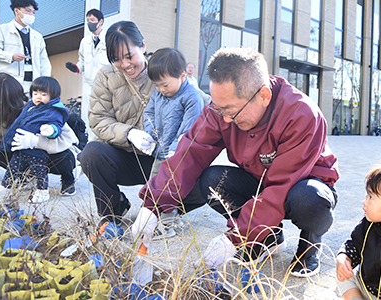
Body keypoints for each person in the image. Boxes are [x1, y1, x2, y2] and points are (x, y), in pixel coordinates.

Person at [132, 47, 340, 278]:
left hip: (301, 184)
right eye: (218, 108)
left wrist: (235, 238)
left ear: (264, 95)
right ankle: (267, 238)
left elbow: (281, 185)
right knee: (212, 181)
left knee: (309, 198)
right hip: (259, 180)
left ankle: (310, 246)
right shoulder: (221, 110)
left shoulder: (301, 114)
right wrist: (152, 205)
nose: (224, 119)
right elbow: (189, 153)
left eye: (230, 110)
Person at [77, 21, 157, 228]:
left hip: (157, 161)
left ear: (143, 46)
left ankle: (161, 211)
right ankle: (112, 211)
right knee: (92, 152)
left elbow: (193, 100)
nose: (125, 64)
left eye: (129, 56)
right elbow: (97, 118)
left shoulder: (161, 71)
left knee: (198, 177)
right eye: (116, 59)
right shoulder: (106, 76)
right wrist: (129, 133)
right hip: (122, 156)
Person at [144, 48, 204, 236]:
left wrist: (174, 150)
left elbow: (189, 128)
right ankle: (152, 219)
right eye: (156, 85)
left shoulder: (192, 97)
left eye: (165, 85)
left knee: (168, 189)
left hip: (178, 154)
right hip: (159, 150)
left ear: (183, 76)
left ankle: (168, 225)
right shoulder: (158, 94)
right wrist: (150, 135)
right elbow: (149, 114)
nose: (161, 90)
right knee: (153, 185)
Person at [0, 76, 69, 203]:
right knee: (12, 168)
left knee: (39, 170)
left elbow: (57, 127)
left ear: (53, 96)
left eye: (43, 94)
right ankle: (5, 187)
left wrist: (49, 131)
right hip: (20, 147)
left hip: (37, 149)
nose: (38, 97)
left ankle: (42, 191)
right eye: (35, 94)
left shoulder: (53, 111)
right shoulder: (30, 106)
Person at [336, 166, 381, 300]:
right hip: (365, 285)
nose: (364, 201)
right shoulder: (368, 224)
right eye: (367, 195)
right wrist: (344, 258)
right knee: (344, 277)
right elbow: (353, 244)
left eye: (371, 197)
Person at [65, 8, 109, 139]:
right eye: (88, 20)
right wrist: (76, 68)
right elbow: (82, 61)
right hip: (88, 85)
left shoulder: (109, 39)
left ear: (101, 21)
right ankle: (88, 143)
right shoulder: (85, 41)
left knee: (103, 114)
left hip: (105, 84)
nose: (90, 23)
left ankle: (102, 143)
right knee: (87, 115)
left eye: (93, 20)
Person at [0, 0, 51, 94]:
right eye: (28, 11)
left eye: (33, 12)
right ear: (16, 11)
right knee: (10, 108)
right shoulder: (1, 30)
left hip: (33, 85)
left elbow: (44, 61)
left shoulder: (37, 36)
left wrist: (45, 81)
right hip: (9, 84)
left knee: (31, 108)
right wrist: (11, 56)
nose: (31, 15)